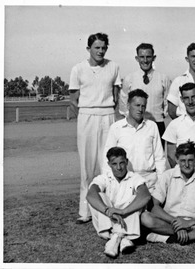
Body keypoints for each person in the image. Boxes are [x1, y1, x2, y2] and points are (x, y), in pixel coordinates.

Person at [69, 32, 122, 224]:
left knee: (106, 164)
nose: (100, 51)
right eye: (96, 47)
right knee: (87, 165)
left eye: (103, 47)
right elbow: (73, 101)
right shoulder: (78, 69)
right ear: (89, 49)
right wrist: (86, 116)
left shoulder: (114, 67)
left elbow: (115, 96)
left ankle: (107, 209)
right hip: (86, 117)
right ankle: (85, 211)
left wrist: (105, 112)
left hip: (107, 115)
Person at [141, 141, 195, 246]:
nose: (187, 165)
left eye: (190, 160)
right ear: (176, 160)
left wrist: (190, 223)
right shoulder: (167, 176)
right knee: (145, 217)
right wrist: (176, 222)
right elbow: (154, 206)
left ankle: (172, 238)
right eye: (183, 161)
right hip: (171, 223)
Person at [86, 147, 151, 258]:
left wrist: (122, 211)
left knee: (136, 197)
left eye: (122, 163)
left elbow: (145, 196)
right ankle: (123, 238)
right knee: (99, 195)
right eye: (114, 164)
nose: (119, 168)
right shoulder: (104, 177)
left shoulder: (134, 177)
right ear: (109, 164)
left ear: (126, 162)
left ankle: (115, 239)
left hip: (126, 219)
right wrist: (109, 212)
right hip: (110, 221)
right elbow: (90, 195)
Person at [103, 89, 166, 194]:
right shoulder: (116, 128)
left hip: (149, 182)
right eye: (137, 105)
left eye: (143, 106)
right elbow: (107, 158)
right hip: (125, 181)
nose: (140, 109)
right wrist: (110, 184)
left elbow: (160, 158)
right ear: (128, 106)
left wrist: (161, 183)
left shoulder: (152, 126)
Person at [119, 43, 171, 148]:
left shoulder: (163, 78)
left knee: (157, 157)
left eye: (148, 57)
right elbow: (123, 103)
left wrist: (160, 115)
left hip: (157, 124)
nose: (145, 60)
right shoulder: (129, 78)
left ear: (154, 58)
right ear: (137, 58)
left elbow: (167, 102)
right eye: (142, 57)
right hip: (135, 125)